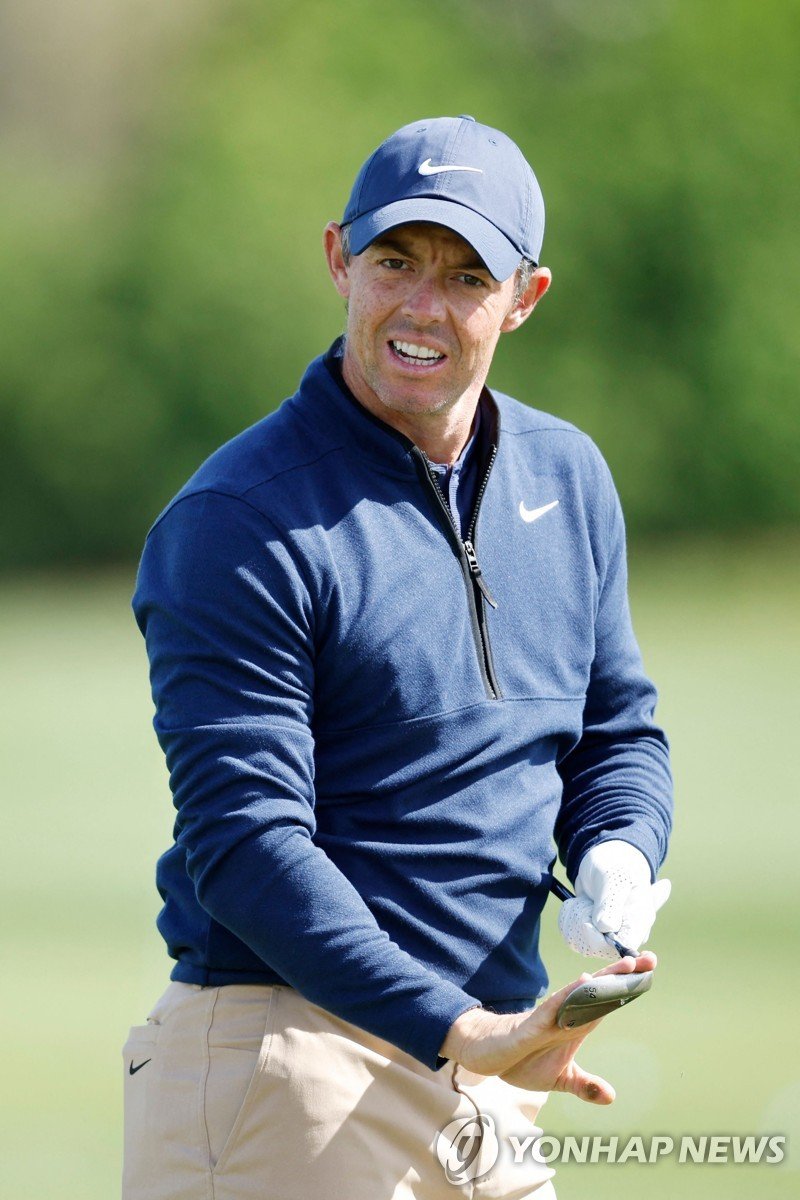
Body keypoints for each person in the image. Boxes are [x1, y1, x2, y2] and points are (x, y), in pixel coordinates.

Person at [125, 115, 672, 1199]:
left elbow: (615, 729)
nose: (421, 305)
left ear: (523, 298)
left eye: (466, 275)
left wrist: (619, 845)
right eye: (393, 261)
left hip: (494, 1068)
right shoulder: (241, 518)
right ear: (339, 260)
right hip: (290, 1061)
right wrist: (454, 1027)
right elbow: (244, 847)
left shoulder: (568, 478)